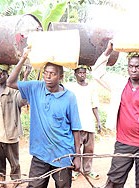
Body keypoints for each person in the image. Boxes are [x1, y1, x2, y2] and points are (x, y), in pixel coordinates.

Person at [6, 48, 82, 188]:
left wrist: (77, 156)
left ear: (60, 77)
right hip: (41, 154)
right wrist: (23, 58)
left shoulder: (70, 98)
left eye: (52, 74)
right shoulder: (35, 87)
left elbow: (76, 129)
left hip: (63, 155)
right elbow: (10, 83)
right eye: (46, 73)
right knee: (34, 186)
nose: (47, 76)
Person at [92, 41, 139, 188]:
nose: (134, 70)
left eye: (138, 66)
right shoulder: (119, 84)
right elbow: (97, 73)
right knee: (114, 180)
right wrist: (108, 51)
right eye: (131, 66)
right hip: (123, 142)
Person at [0, 64, 30, 188]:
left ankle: (16, 183)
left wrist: (25, 76)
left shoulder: (13, 92)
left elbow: (23, 100)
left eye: (2, 73)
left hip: (10, 135)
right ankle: (1, 184)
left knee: (14, 164)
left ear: (8, 75)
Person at [66, 66, 101, 181]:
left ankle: (88, 170)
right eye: (79, 73)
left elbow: (94, 105)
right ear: (75, 74)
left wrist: (98, 121)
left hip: (89, 123)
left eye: (84, 73)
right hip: (76, 124)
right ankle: (75, 170)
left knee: (89, 149)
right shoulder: (71, 88)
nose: (82, 75)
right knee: (76, 147)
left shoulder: (91, 88)